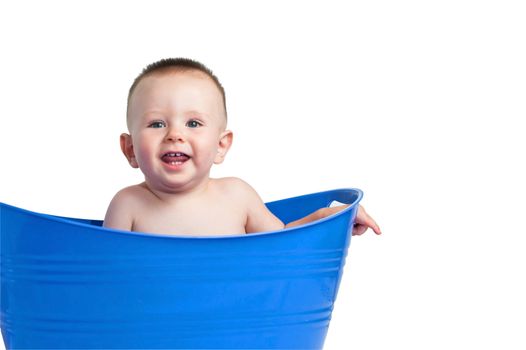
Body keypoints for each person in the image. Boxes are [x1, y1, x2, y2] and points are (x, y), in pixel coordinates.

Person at [103, 58, 381, 237]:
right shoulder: (128, 205)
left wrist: (332, 217)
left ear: (221, 145)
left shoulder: (236, 197)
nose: (175, 135)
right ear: (130, 150)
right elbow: (102, 278)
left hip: (237, 325)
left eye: (194, 123)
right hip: (153, 327)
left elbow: (283, 241)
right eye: (156, 124)